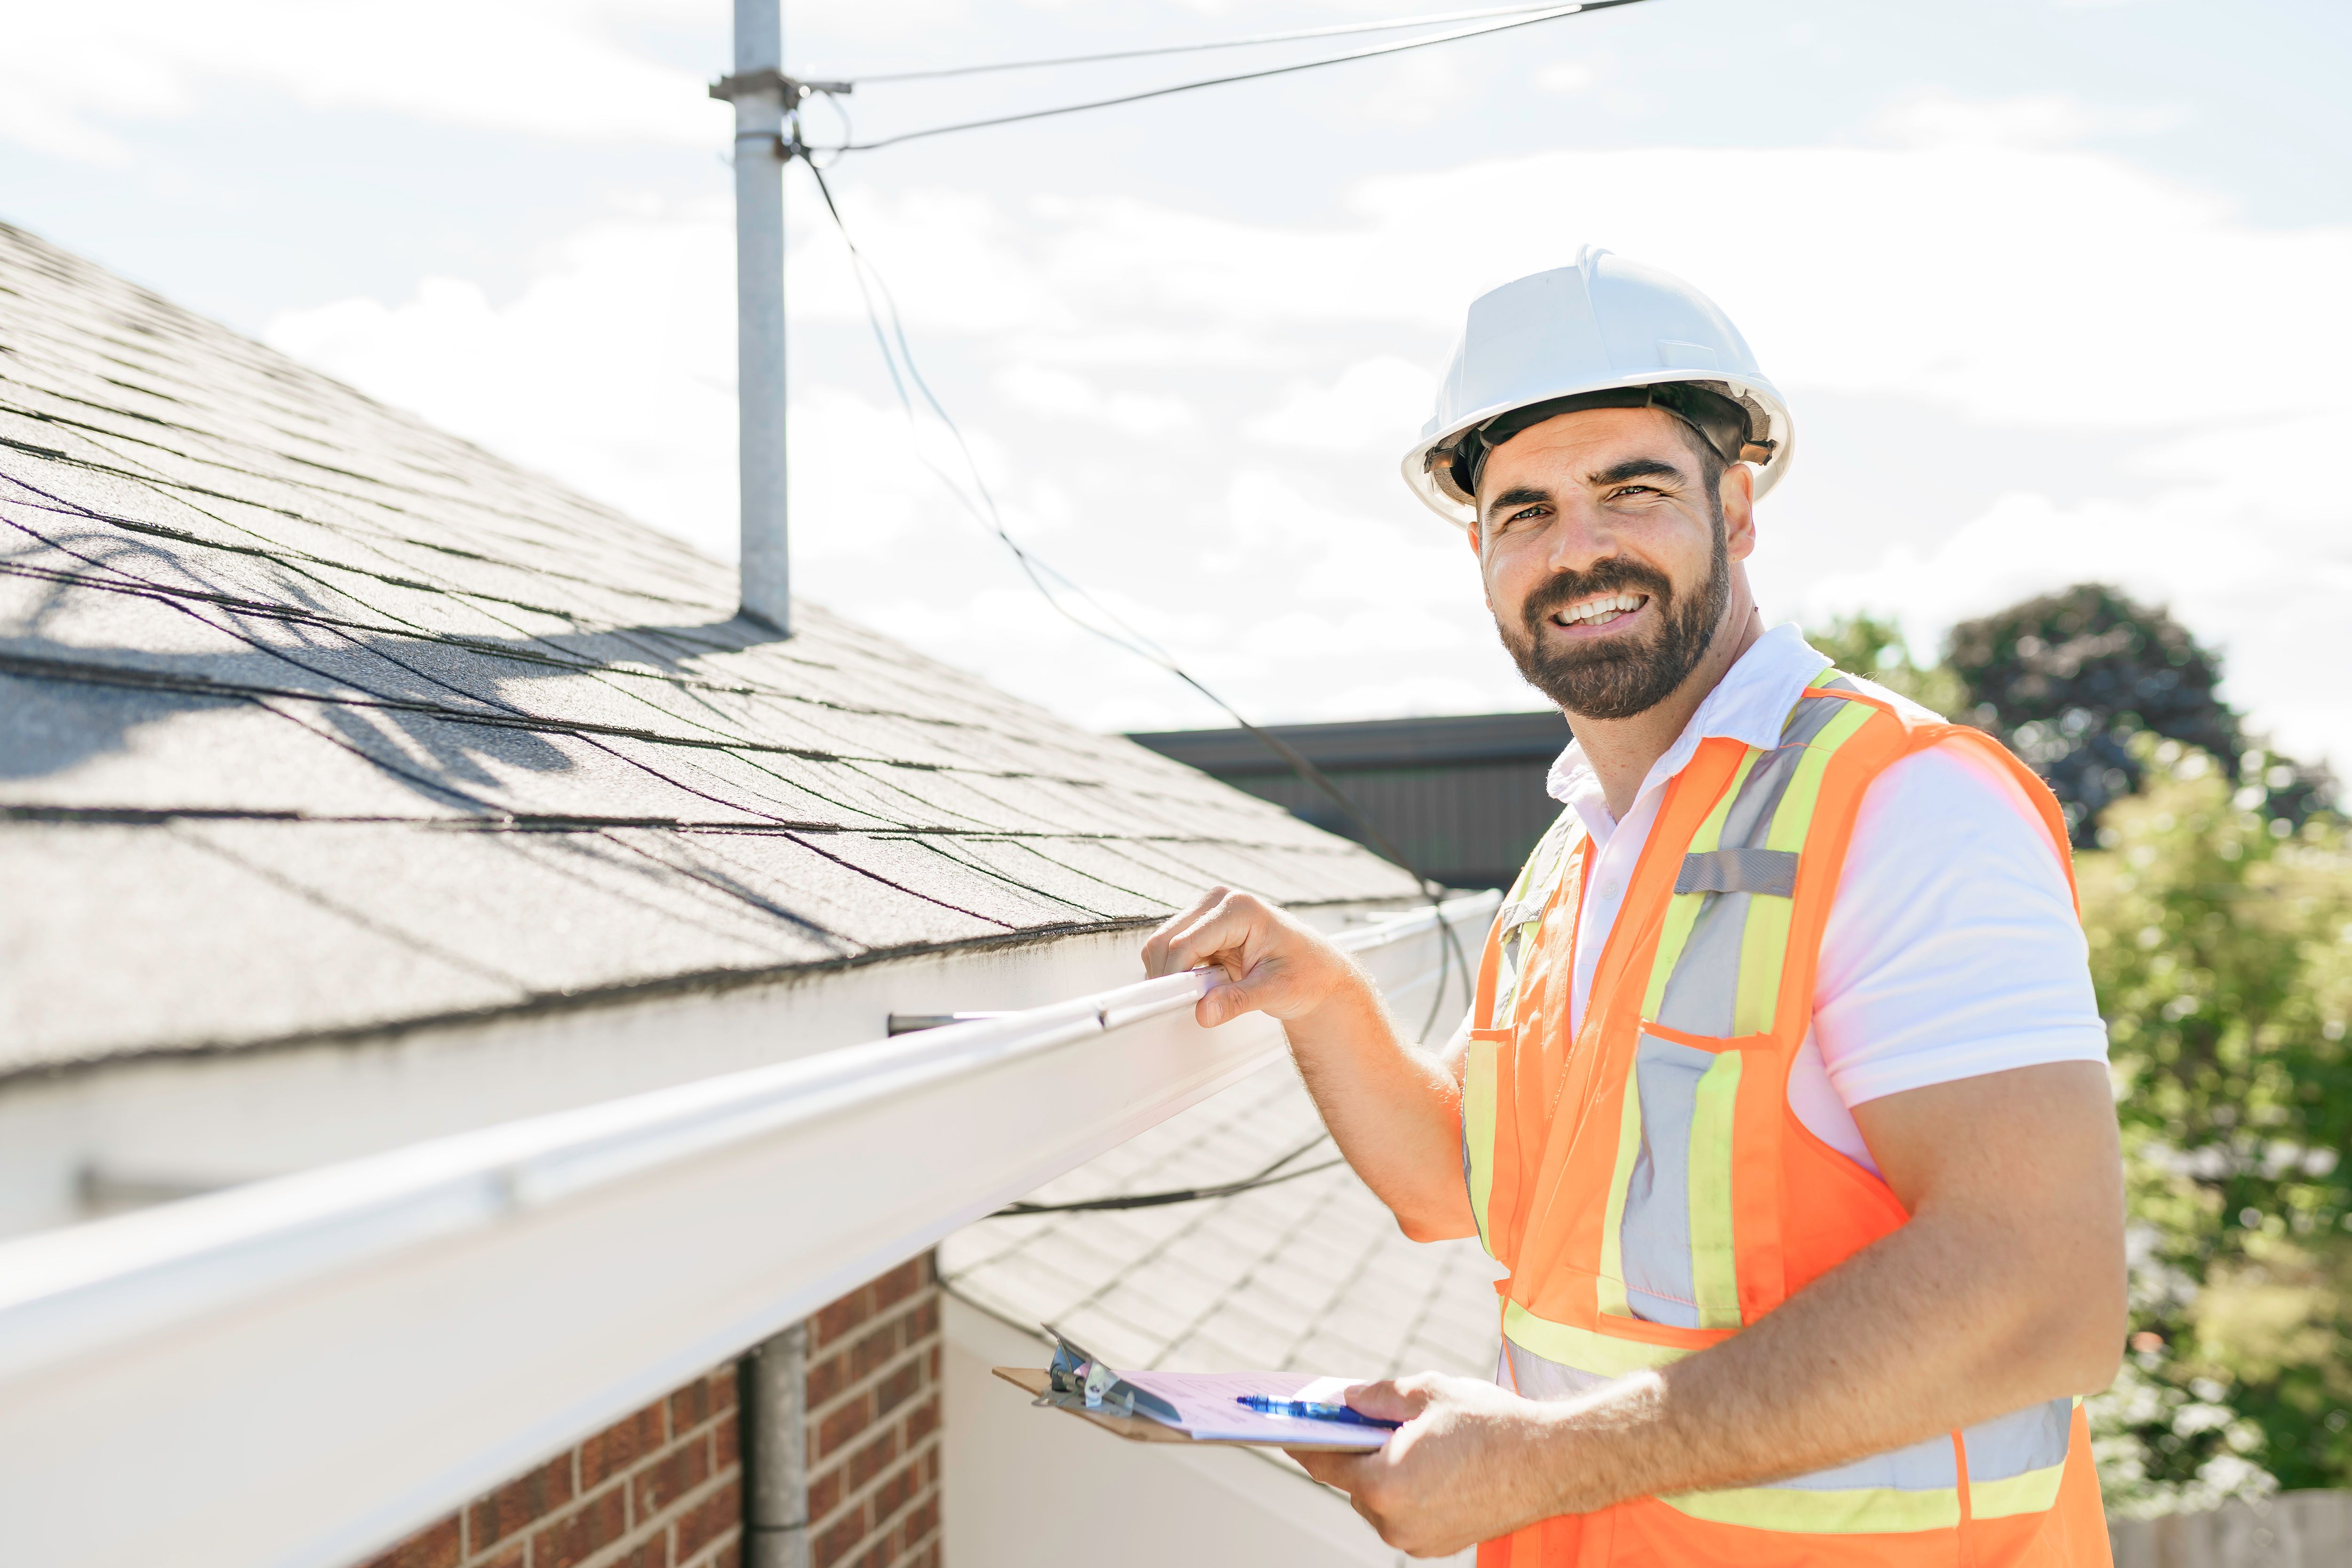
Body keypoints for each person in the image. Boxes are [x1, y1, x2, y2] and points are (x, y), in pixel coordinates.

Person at [1141, 250, 2124, 1566]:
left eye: (1633, 490)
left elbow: (2041, 1295)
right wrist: (1324, 999)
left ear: (1739, 504)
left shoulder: (1903, 805)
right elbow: (1466, 1190)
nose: (1579, 547)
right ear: (1480, 554)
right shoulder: (1573, 863)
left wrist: (1539, 1459)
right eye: (1525, 512)